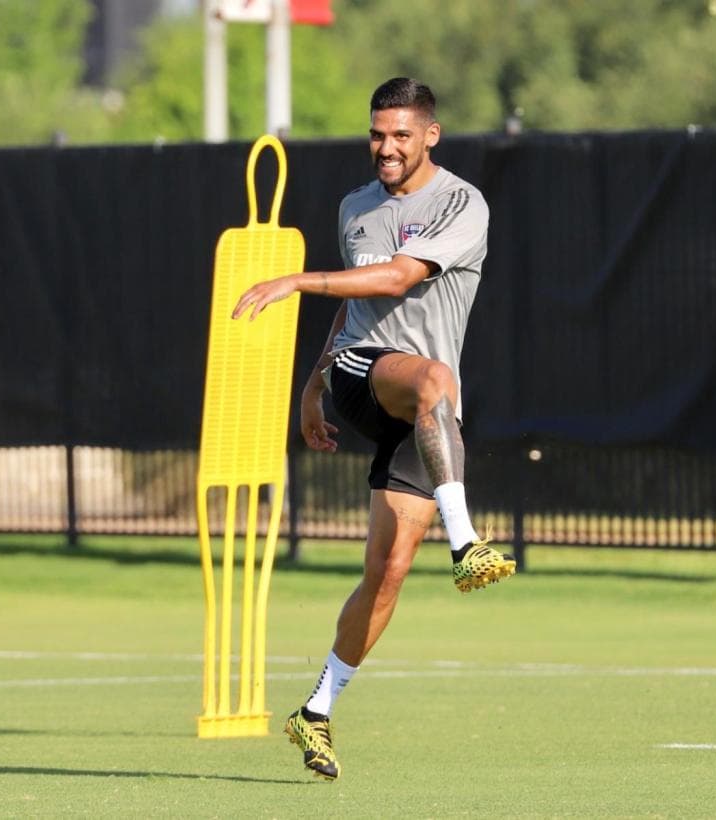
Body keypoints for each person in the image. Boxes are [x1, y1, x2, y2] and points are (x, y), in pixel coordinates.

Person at [231, 77, 516, 781]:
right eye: (376, 134)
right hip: (368, 376)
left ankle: (316, 711)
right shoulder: (356, 207)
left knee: (385, 576)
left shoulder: (461, 203)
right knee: (434, 382)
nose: (384, 149)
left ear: (430, 136)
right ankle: (467, 542)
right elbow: (358, 310)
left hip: (422, 418)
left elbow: (393, 279)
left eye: (399, 136)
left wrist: (297, 281)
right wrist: (314, 382)